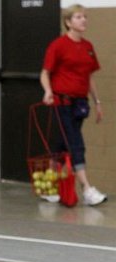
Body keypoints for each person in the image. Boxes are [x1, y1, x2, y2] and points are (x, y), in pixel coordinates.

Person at [39, 4, 107, 206]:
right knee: (76, 143)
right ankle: (86, 189)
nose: (83, 20)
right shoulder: (58, 45)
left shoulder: (88, 47)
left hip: (80, 103)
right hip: (62, 102)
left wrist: (97, 102)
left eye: (85, 17)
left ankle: (47, 184)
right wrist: (48, 91)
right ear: (68, 22)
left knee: (62, 143)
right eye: (78, 17)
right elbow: (45, 73)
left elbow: (89, 78)